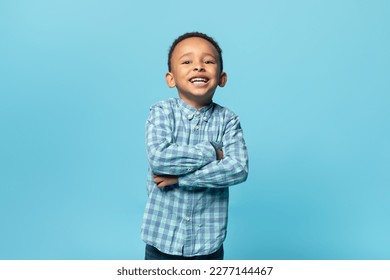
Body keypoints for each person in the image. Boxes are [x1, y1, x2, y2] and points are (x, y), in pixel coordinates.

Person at [141, 32, 248, 260]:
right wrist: (212, 152)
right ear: (171, 79)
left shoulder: (229, 120)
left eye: (208, 61)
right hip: (162, 241)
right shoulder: (161, 113)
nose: (198, 67)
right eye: (187, 61)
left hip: (207, 244)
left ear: (222, 78)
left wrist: (181, 179)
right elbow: (160, 157)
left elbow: (238, 168)